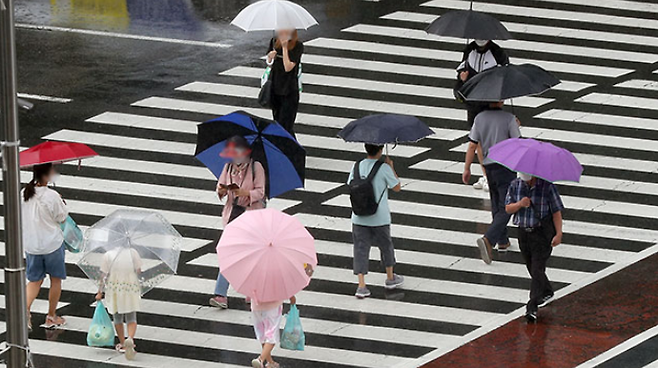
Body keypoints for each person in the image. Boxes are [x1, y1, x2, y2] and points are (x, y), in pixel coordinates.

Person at [210, 136, 266, 309]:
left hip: (251, 216)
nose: (235, 157)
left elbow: (261, 192)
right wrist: (222, 190)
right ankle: (221, 294)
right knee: (229, 253)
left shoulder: (256, 167)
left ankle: (250, 290)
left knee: (249, 254)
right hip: (232, 215)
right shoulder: (228, 167)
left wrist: (245, 193)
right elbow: (220, 187)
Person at [462, 101, 521, 262]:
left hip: (489, 166)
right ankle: (489, 238)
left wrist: (467, 168)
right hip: (506, 167)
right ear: (501, 101)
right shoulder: (509, 118)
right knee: (508, 206)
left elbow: (472, 145)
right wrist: (516, 125)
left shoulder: (479, 118)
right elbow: (518, 142)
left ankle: (503, 241)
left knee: (496, 203)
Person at [505, 173, 564, 322]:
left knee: (537, 269)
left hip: (541, 234)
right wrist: (520, 204)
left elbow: (556, 211)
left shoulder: (547, 187)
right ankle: (547, 290)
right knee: (532, 268)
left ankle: (532, 307)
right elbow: (507, 208)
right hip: (523, 233)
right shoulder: (515, 185)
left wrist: (558, 234)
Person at [348, 144, 404, 299]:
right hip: (380, 217)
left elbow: (350, 184)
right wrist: (391, 167)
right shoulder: (384, 168)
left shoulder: (357, 166)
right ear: (380, 150)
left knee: (360, 249)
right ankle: (390, 277)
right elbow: (397, 187)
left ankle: (361, 286)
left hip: (359, 216)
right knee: (386, 245)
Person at [455, 39, 509, 191]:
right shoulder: (469, 50)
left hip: (490, 102)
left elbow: (506, 75)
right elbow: (460, 75)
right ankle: (486, 174)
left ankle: (494, 174)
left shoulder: (497, 53)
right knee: (479, 141)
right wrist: (461, 80)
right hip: (473, 103)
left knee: (492, 140)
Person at [22, 163, 68, 331]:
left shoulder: (24, 193)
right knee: (55, 280)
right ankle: (51, 316)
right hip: (52, 244)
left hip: (32, 245)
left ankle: (25, 312)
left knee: (34, 280)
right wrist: (62, 202)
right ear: (47, 174)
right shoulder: (52, 196)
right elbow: (62, 218)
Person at [96, 246, 143, 360]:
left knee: (117, 318)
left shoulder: (108, 255)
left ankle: (122, 343)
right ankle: (130, 338)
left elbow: (103, 275)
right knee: (131, 317)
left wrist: (99, 291)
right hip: (130, 286)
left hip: (114, 287)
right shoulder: (132, 252)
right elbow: (138, 270)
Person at [266, 29, 304, 136]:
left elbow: (288, 67)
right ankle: (289, 150)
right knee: (277, 124)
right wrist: (270, 57)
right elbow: (269, 64)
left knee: (286, 126)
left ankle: (294, 150)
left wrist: (284, 48)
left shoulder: (298, 46)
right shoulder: (273, 41)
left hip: (289, 91)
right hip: (275, 88)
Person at [251, 295, 297, 368]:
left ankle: (270, 362)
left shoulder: (253, 282)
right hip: (272, 308)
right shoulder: (275, 282)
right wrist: (291, 297)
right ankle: (260, 359)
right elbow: (284, 287)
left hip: (256, 306)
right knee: (272, 336)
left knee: (263, 336)